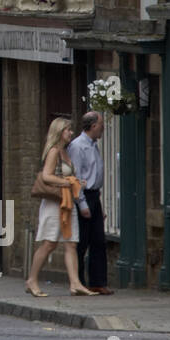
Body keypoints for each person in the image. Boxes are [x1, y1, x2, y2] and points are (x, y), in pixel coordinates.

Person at [24, 116, 96, 298]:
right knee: (49, 243)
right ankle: (32, 280)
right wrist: (67, 182)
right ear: (59, 132)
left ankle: (75, 284)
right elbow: (46, 176)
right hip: (53, 203)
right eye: (68, 130)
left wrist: (77, 181)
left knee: (71, 243)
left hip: (67, 202)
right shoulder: (54, 151)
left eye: (71, 129)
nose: (71, 133)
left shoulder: (66, 151)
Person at [69, 111, 112, 294]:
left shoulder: (94, 145)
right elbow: (76, 176)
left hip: (94, 195)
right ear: (93, 126)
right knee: (81, 242)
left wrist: (97, 204)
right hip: (83, 196)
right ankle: (78, 282)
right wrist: (83, 204)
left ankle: (98, 282)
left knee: (98, 241)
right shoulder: (78, 146)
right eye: (101, 125)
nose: (102, 128)